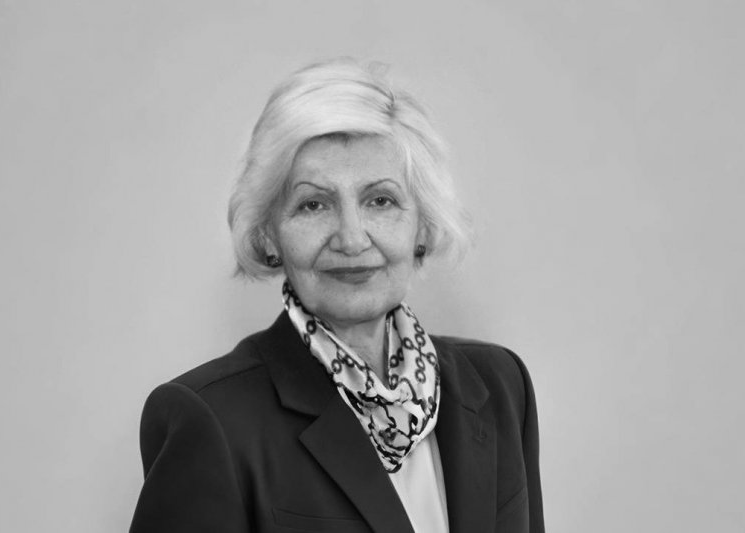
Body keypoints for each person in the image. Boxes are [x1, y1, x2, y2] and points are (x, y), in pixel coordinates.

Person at [130, 58, 545, 533]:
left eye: (380, 200)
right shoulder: (211, 421)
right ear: (268, 234)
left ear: (423, 223)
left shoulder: (499, 384)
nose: (351, 238)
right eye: (313, 204)